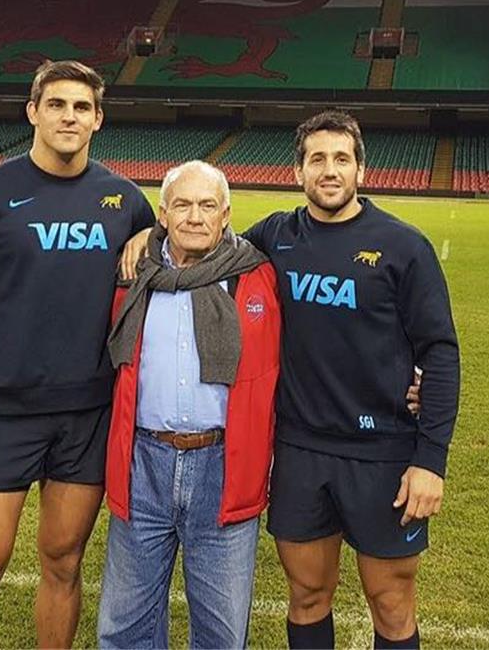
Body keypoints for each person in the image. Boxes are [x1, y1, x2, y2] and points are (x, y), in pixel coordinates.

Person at [121, 110, 459, 649]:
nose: (330, 170)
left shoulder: (403, 246)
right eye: (317, 159)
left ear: (361, 171)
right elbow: (205, 238)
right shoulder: (275, 237)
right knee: (306, 594)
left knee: (391, 602)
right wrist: (149, 232)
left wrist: (429, 460)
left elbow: (440, 352)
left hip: (384, 451)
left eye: (341, 159)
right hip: (300, 449)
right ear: (298, 171)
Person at [0, 60, 156, 648]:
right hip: (2, 413)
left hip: (86, 414)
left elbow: (179, 258)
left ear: (98, 119)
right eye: (56, 104)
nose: (69, 116)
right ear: (33, 112)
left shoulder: (124, 200)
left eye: (81, 107)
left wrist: (155, 234)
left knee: (64, 562)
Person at [97, 161, 281, 648]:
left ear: (226, 214)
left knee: (220, 634)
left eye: (206, 206)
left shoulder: (258, 275)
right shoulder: (134, 274)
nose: (194, 216)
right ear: (162, 214)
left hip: (223, 468)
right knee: (124, 627)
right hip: (144, 465)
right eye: (182, 204)